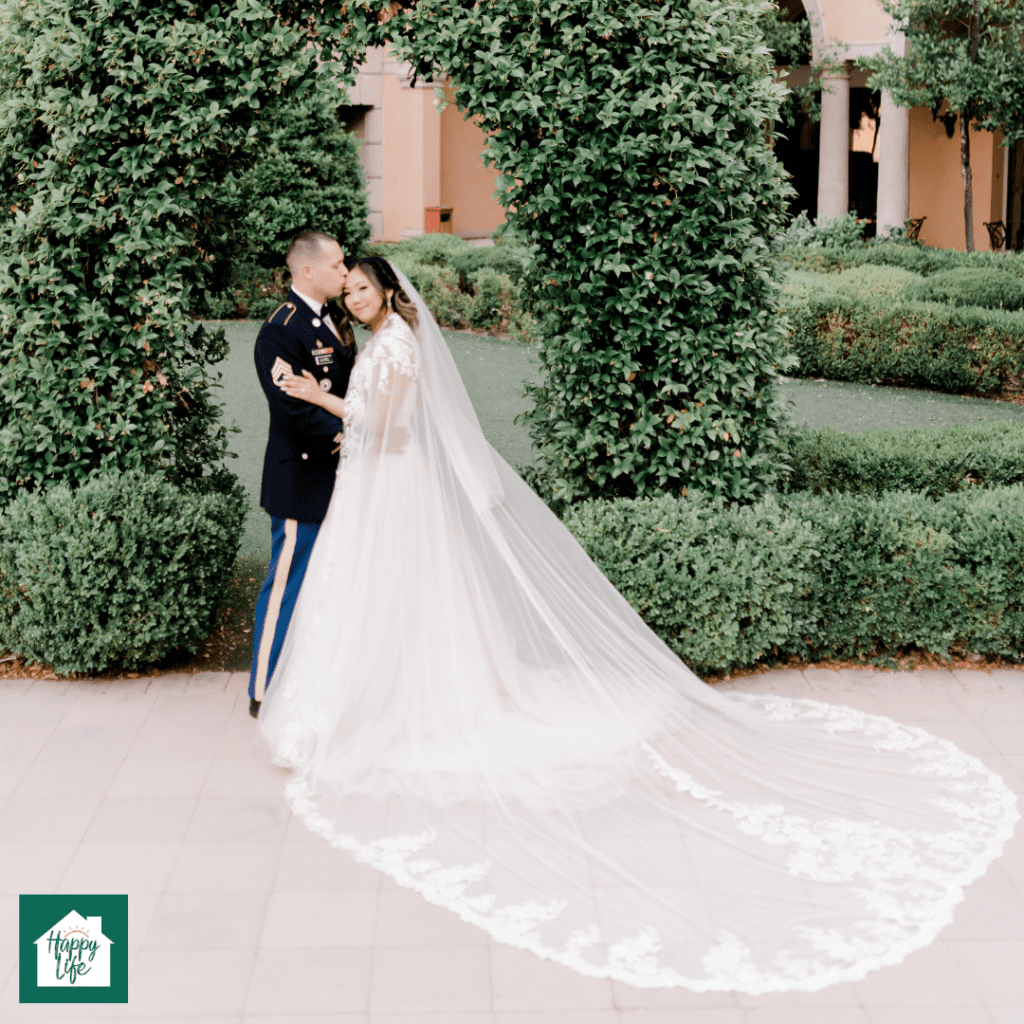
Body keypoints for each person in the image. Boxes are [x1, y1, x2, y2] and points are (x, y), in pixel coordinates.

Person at [259, 256, 1019, 993]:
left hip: (388, 483)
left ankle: (388, 703)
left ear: (387, 292)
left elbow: (385, 429)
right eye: (349, 289)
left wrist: (316, 396)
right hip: (383, 489)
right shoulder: (389, 340)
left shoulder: (393, 346)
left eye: (362, 288)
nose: (354, 298)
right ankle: (387, 693)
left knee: (390, 594)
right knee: (393, 597)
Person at [247, 231, 356, 719]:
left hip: (344, 477)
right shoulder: (280, 330)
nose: (344, 270)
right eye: (335, 264)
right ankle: (263, 689)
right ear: (307, 270)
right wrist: (351, 438)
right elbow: (293, 410)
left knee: (330, 583)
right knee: (287, 583)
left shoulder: (335, 318)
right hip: (303, 479)